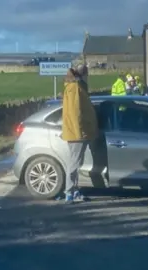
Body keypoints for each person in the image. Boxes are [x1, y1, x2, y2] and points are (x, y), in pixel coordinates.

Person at [61, 66, 98, 204]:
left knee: (77, 162)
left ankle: (74, 190)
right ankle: (69, 192)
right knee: (74, 163)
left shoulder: (77, 87)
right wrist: (79, 133)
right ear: (81, 75)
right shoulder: (74, 89)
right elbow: (75, 113)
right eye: (87, 74)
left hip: (80, 133)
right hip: (77, 134)